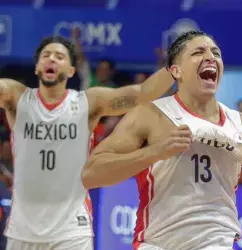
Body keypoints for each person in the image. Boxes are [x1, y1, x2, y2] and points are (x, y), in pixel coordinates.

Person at [0, 36, 174, 249]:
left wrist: (176, 66)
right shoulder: (16, 97)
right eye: (46, 56)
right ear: (37, 68)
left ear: (71, 70)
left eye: (59, 56)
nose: (51, 59)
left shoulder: (87, 103)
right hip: (22, 231)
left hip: (71, 231)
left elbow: (141, 94)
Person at [82, 30, 242, 250]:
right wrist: (156, 151)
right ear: (176, 70)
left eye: (216, 53)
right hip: (158, 243)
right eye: (198, 52)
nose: (210, 57)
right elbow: (90, 175)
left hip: (217, 242)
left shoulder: (241, 124)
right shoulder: (151, 115)